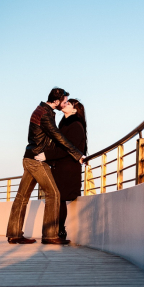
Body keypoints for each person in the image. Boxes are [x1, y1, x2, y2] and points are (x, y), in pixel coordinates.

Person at [5, 88, 84, 245]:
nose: (64, 103)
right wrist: (77, 154)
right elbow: (57, 136)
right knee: (54, 194)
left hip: (29, 157)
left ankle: (14, 234)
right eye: (63, 101)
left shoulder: (41, 110)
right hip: (37, 159)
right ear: (56, 101)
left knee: (21, 197)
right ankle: (50, 235)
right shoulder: (45, 114)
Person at [40, 98, 88, 241]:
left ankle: (60, 233)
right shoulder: (65, 123)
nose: (64, 103)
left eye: (68, 103)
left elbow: (68, 149)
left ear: (74, 109)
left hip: (67, 169)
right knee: (57, 200)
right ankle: (56, 233)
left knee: (59, 200)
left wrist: (46, 156)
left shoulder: (75, 125)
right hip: (61, 167)